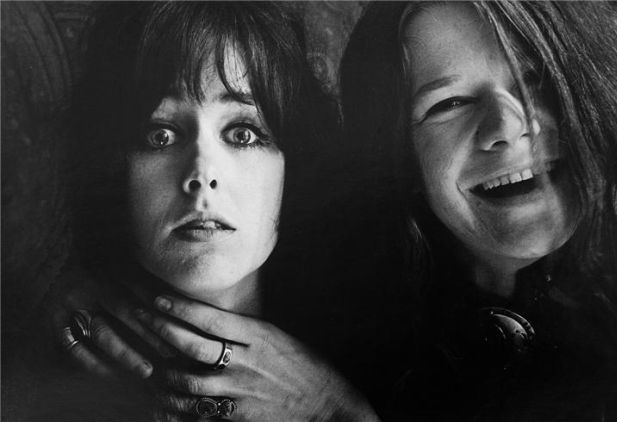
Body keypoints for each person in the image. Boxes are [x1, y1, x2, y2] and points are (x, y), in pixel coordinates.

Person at [29, 3, 382, 421]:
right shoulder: (39, 390)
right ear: (111, 172)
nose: (201, 174)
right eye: (160, 135)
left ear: (295, 167)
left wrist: (339, 412)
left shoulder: (390, 363)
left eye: (242, 133)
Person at [340, 1, 617, 421]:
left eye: (535, 79)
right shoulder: (339, 326)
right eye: (449, 104)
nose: (507, 127)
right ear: (400, 161)